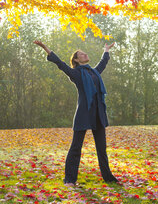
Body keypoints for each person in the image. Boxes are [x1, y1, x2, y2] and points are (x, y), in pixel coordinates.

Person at [33, 40, 118, 186]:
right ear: (77, 60)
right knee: (76, 148)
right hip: (84, 115)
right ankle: (70, 179)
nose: (85, 54)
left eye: (84, 52)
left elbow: (103, 63)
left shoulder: (94, 72)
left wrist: (106, 50)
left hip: (98, 114)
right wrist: (46, 48)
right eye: (81, 54)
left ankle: (108, 177)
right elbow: (61, 64)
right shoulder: (76, 74)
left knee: (102, 149)